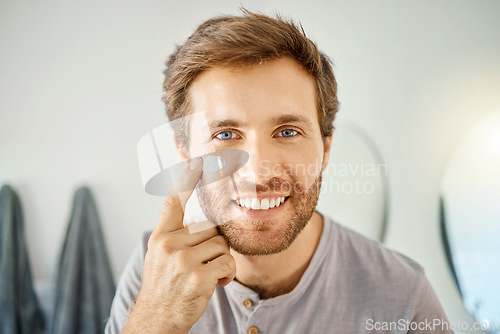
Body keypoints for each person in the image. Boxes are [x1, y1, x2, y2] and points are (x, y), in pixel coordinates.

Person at [105, 10, 453, 334]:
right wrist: (154, 320)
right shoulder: (156, 268)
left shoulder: (404, 295)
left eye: (288, 131)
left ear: (326, 148)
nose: (257, 175)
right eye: (225, 135)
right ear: (185, 152)